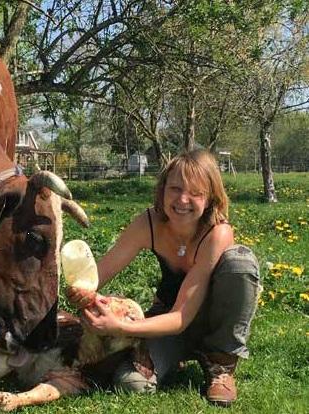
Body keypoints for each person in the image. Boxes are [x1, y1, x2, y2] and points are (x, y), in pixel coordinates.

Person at [67, 149, 261, 407]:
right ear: (162, 189)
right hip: (167, 319)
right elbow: (97, 276)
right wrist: (83, 293)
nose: (183, 199)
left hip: (205, 321)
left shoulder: (217, 233)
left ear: (210, 197)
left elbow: (182, 317)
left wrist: (121, 328)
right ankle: (176, 354)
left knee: (240, 262)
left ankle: (221, 364)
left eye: (196, 193)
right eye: (175, 188)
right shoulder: (148, 222)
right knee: (131, 384)